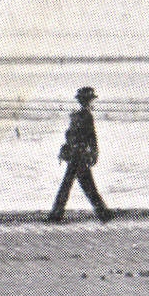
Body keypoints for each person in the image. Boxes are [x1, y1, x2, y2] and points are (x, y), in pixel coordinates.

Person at [47, 87, 112, 224]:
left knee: (72, 185)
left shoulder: (75, 116)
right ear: (89, 101)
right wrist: (94, 153)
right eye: (91, 100)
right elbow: (92, 138)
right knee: (86, 186)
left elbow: (69, 136)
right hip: (81, 156)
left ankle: (56, 214)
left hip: (74, 155)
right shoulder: (88, 116)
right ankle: (103, 213)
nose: (92, 103)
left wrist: (68, 149)